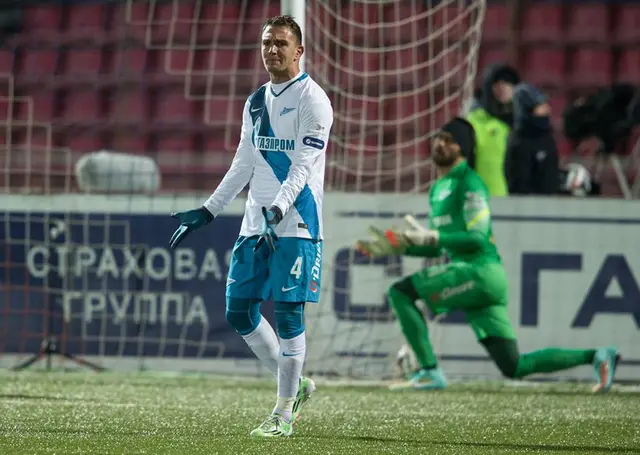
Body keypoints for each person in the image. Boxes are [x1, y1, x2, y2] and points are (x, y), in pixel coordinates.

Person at [355, 117, 620, 393]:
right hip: (480, 279)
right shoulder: (438, 189)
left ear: (464, 149)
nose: (441, 143)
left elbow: (477, 238)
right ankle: (597, 355)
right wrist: (402, 245)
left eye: (450, 140)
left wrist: (432, 236)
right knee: (513, 366)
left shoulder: (470, 184)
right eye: (439, 137)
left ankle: (429, 370)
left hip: (478, 271)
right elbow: (437, 246)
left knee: (401, 292)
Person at [169, 15, 333, 437]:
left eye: (280, 43)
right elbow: (244, 162)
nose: (272, 50)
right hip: (255, 224)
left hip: (296, 223)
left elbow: (301, 169)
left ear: (299, 51)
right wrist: (208, 209)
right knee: (238, 310)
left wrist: (276, 212)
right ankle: (295, 385)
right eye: (266, 43)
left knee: (288, 314)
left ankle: (282, 413)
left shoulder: (314, 102)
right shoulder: (256, 101)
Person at [466, 63, 520, 197]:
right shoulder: (475, 121)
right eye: (497, 82)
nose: (503, 87)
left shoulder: (524, 123)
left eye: (508, 83)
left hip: (520, 201)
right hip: (483, 199)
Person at [505, 83, 559, 195]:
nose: (547, 109)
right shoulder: (519, 143)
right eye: (540, 106)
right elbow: (520, 185)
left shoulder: (547, 139)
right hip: (528, 208)